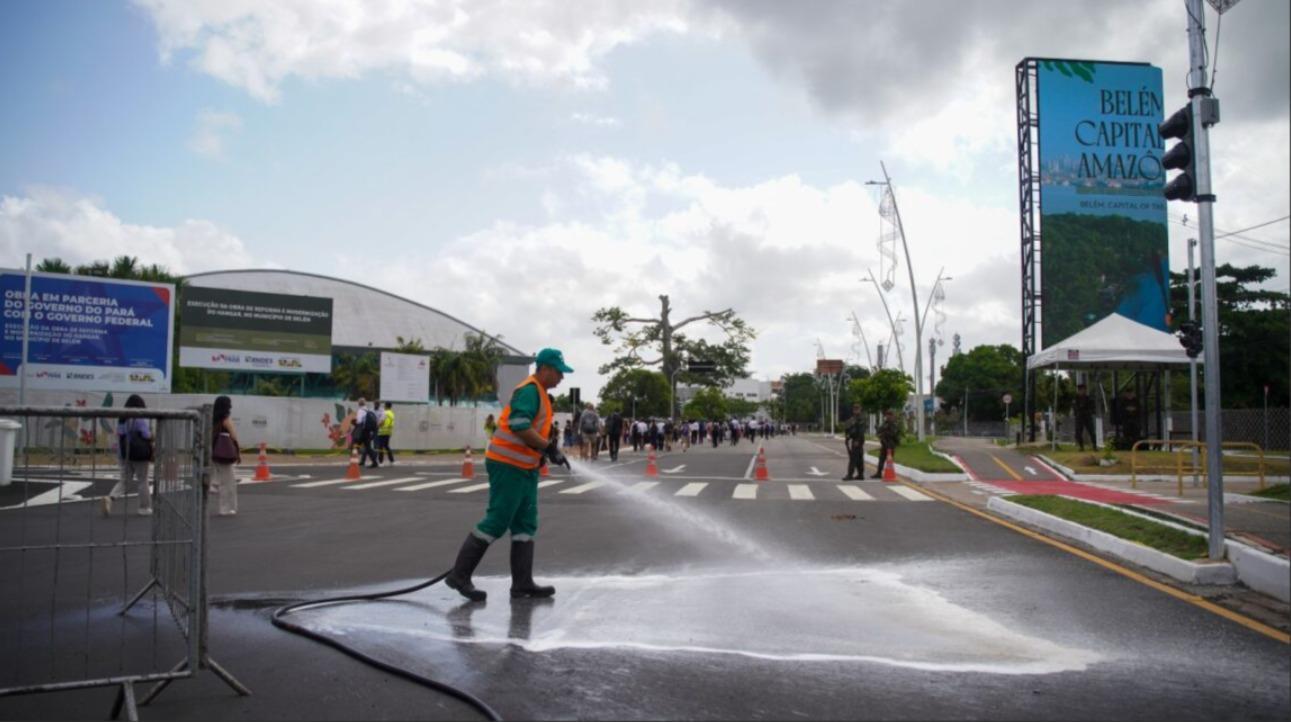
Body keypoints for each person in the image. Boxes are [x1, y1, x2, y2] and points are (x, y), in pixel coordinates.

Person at [444, 348, 573, 603]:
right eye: (559, 372)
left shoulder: (542, 394)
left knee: (525, 524)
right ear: (545, 369)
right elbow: (519, 426)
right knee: (498, 520)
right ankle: (459, 575)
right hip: (507, 465)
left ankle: (522, 584)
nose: (562, 378)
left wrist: (544, 451)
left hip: (525, 468)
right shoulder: (529, 390)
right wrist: (547, 447)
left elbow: (530, 431)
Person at [103, 394, 153, 516]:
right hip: (139, 454)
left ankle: (110, 498)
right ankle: (144, 508)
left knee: (125, 480)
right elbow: (146, 435)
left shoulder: (122, 418)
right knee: (142, 480)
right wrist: (152, 435)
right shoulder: (138, 419)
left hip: (123, 454)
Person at [210, 395, 242, 516]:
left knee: (222, 480)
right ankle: (226, 508)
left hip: (214, 453)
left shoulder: (213, 420)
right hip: (225, 454)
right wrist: (238, 452)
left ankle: (212, 484)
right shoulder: (226, 420)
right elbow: (233, 436)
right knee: (228, 482)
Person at [871, 409, 900, 479]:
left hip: (890, 445)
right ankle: (878, 473)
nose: (888, 417)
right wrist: (878, 431)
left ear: (892, 416)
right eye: (887, 415)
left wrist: (884, 433)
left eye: (890, 415)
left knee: (889, 460)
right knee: (881, 459)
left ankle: (889, 474)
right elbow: (880, 430)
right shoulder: (885, 423)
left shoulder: (893, 424)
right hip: (884, 444)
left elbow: (893, 434)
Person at [842, 403, 867, 481]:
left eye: (857, 409)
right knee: (859, 458)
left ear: (860, 409)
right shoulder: (852, 419)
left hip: (858, 439)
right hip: (854, 439)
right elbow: (848, 429)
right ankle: (860, 474)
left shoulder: (861, 419)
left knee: (853, 458)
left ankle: (850, 474)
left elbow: (861, 431)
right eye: (854, 409)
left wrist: (858, 440)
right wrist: (847, 437)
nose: (856, 410)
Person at [1073, 384, 1097, 452]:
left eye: (1083, 390)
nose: (1081, 391)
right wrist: (1077, 412)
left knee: (1092, 431)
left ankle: (1094, 446)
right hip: (1079, 417)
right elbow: (1075, 407)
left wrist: (1089, 411)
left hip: (1087, 416)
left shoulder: (1088, 398)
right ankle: (1081, 447)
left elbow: (1092, 407)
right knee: (1078, 432)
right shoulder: (1076, 398)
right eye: (1080, 390)